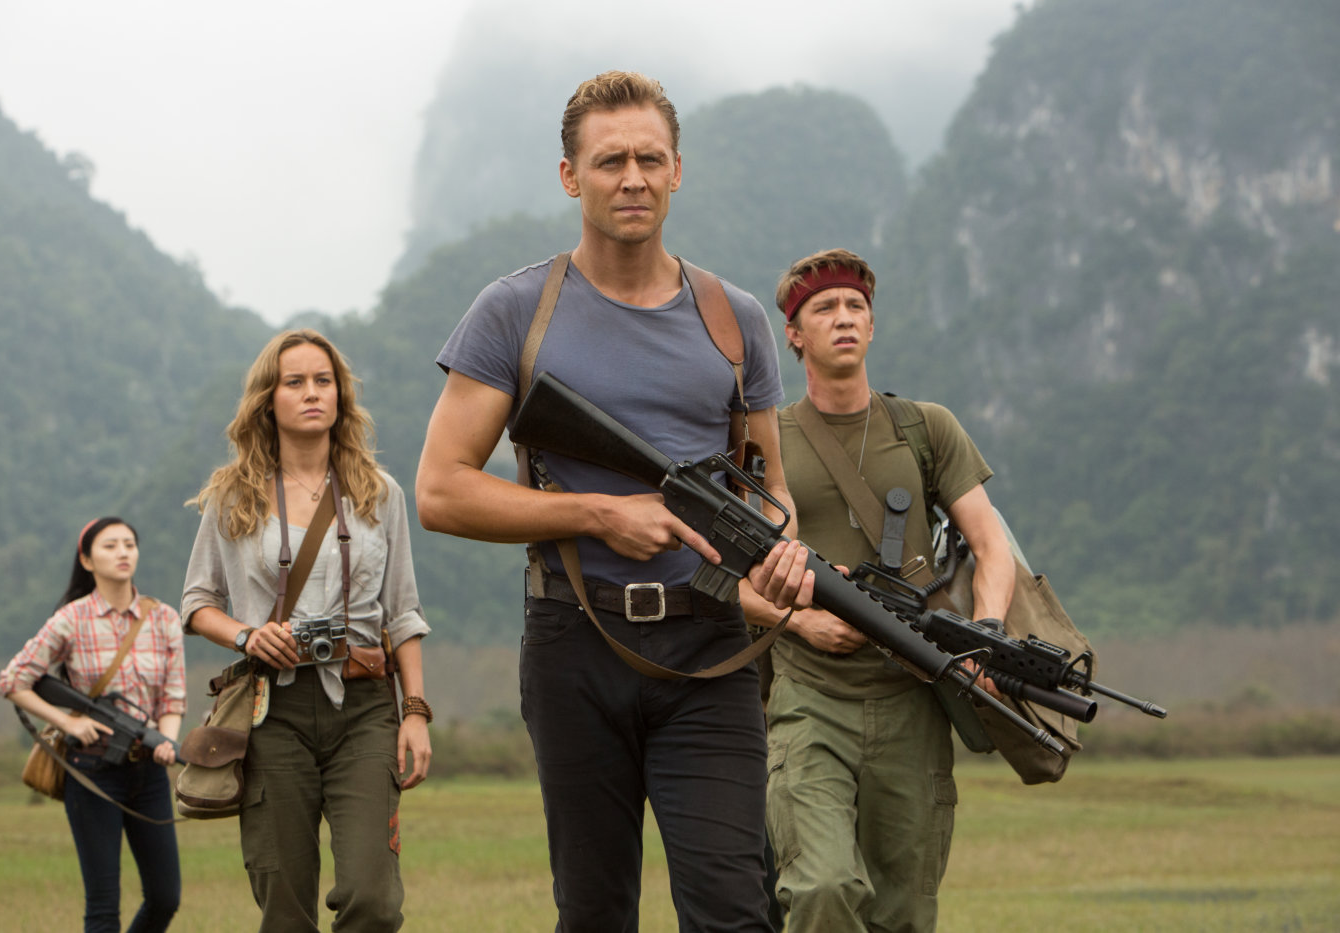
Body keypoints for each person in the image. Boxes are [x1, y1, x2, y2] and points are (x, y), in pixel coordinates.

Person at [416, 70, 813, 931]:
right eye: (609, 161)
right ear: (571, 177)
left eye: (649, 159)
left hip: (709, 645)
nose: (632, 178)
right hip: (574, 641)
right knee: (594, 911)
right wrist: (597, 513)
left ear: (678, 171)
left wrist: (781, 554)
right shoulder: (514, 312)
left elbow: (770, 486)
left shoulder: (735, 319)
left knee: (736, 909)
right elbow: (441, 490)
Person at [741, 248, 1016, 931]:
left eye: (855, 306)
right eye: (824, 308)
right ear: (794, 333)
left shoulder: (925, 428)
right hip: (809, 700)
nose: (844, 318)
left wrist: (985, 635)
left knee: (903, 911)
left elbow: (992, 548)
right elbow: (725, 578)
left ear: (873, 324)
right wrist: (799, 622)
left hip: (912, 698)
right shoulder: (765, 439)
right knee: (821, 887)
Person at [181, 328, 432, 933]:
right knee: (285, 909)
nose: (312, 393)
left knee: (374, 900)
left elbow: (402, 612)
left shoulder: (379, 493)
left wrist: (416, 712)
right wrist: (247, 635)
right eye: (294, 382)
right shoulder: (233, 496)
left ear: (341, 396)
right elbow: (197, 603)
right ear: (268, 399)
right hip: (272, 713)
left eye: (324, 381)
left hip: (364, 706)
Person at [0, 516, 185, 933]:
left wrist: (167, 742)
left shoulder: (164, 618)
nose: (123, 553)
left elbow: (173, 698)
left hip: (149, 771)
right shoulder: (71, 619)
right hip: (91, 770)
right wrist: (68, 722)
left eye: (129, 544)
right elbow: (13, 681)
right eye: (110, 546)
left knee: (165, 897)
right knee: (102, 906)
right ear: (86, 559)